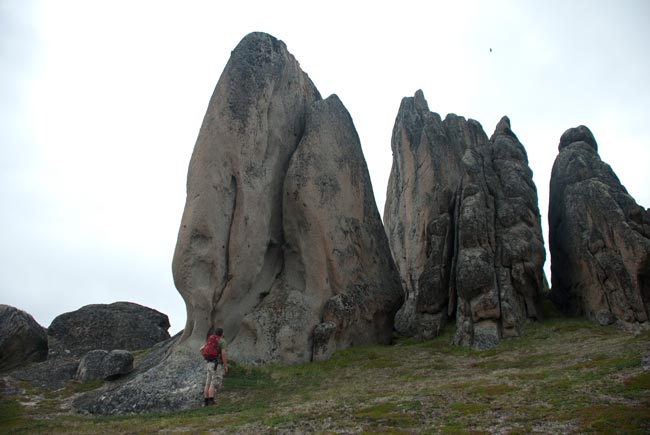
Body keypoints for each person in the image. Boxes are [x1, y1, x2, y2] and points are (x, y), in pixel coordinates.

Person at [200, 327, 228, 406]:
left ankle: (206, 401)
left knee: (208, 382)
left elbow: (201, 349)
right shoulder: (222, 341)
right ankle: (211, 401)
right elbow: (223, 353)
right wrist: (225, 365)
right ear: (222, 333)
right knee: (214, 382)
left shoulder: (210, 341)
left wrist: (206, 357)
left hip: (209, 363)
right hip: (217, 364)